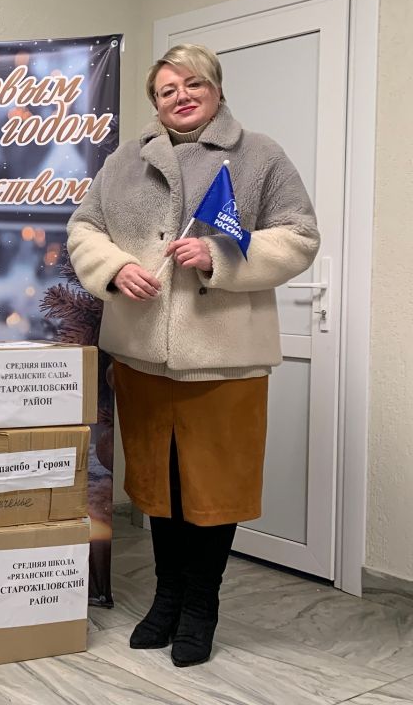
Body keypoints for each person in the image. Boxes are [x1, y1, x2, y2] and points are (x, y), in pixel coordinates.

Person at [66, 43, 319, 666]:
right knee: (158, 488)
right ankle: (167, 598)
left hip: (225, 359)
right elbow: (84, 227)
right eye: (166, 90)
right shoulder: (124, 161)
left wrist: (220, 255)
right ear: (155, 101)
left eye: (192, 84)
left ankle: (201, 606)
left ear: (216, 88)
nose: (180, 96)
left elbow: (300, 235)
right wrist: (114, 267)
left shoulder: (260, 154)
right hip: (141, 356)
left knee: (214, 489)